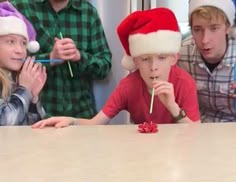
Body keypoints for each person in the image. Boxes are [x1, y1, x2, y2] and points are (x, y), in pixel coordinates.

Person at [33, 7, 200, 129]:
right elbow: (96, 123)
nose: (153, 67)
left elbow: (195, 133)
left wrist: (173, 108)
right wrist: (71, 120)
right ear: (135, 61)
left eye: (162, 58)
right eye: (145, 59)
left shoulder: (184, 83)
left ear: (174, 59)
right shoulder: (129, 86)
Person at [11, 0, 112, 118]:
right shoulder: (21, 7)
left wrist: (79, 57)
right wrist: (50, 58)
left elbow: (104, 67)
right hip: (35, 117)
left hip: (80, 117)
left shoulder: (87, 12)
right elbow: (7, 63)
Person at [178, 0, 236, 122]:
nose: (204, 40)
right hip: (197, 130)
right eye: (198, 30)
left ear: (228, 27)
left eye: (214, 28)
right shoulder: (181, 55)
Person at [0, 2, 46, 126]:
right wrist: (24, 90)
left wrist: (33, 98)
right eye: (11, 41)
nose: (20, 50)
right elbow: (5, 121)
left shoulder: (16, 78)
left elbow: (35, 127)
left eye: (24, 43)